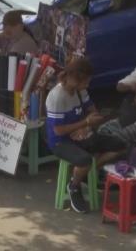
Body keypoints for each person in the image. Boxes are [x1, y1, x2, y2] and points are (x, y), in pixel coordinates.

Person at [46, 58, 125, 214]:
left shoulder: (80, 91)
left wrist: (91, 121)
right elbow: (58, 131)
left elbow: (91, 109)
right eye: (86, 81)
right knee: (84, 160)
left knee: (120, 145)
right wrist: (84, 123)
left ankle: (86, 173)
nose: (88, 85)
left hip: (81, 135)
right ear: (74, 79)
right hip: (60, 142)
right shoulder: (57, 97)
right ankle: (74, 186)